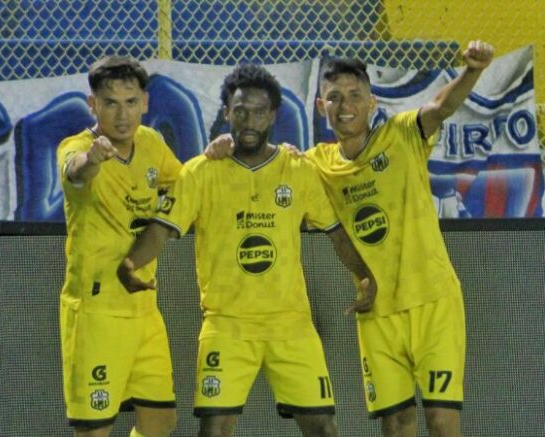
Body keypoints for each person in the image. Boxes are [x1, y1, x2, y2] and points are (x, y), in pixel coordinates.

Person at [205, 40, 495, 437]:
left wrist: (473, 71)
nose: (345, 106)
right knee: (396, 423)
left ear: (371, 102)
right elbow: (265, 159)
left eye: (355, 96)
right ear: (321, 107)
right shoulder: (315, 163)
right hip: (375, 311)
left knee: (442, 420)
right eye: (335, 97)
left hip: (433, 301)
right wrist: (226, 144)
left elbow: (441, 106)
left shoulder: (403, 135)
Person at [116, 63, 376, 437]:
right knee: (214, 429)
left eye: (258, 112)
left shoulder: (297, 170)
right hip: (227, 325)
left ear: (273, 115)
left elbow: (337, 234)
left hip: (291, 324)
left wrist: (365, 275)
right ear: (226, 112)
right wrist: (130, 263)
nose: (249, 121)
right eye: (240, 111)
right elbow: (161, 229)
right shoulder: (201, 172)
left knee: (323, 428)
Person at [57, 56, 181, 437]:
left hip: (145, 311)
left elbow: (185, 183)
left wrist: (215, 157)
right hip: (97, 314)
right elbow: (76, 171)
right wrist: (92, 160)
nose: (122, 115)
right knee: (94, 430)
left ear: (144, 102)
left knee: (161, 422)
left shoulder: (152, 144)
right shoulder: (76, 147)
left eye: (130, 103)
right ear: (93, 104)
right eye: (110, 103)